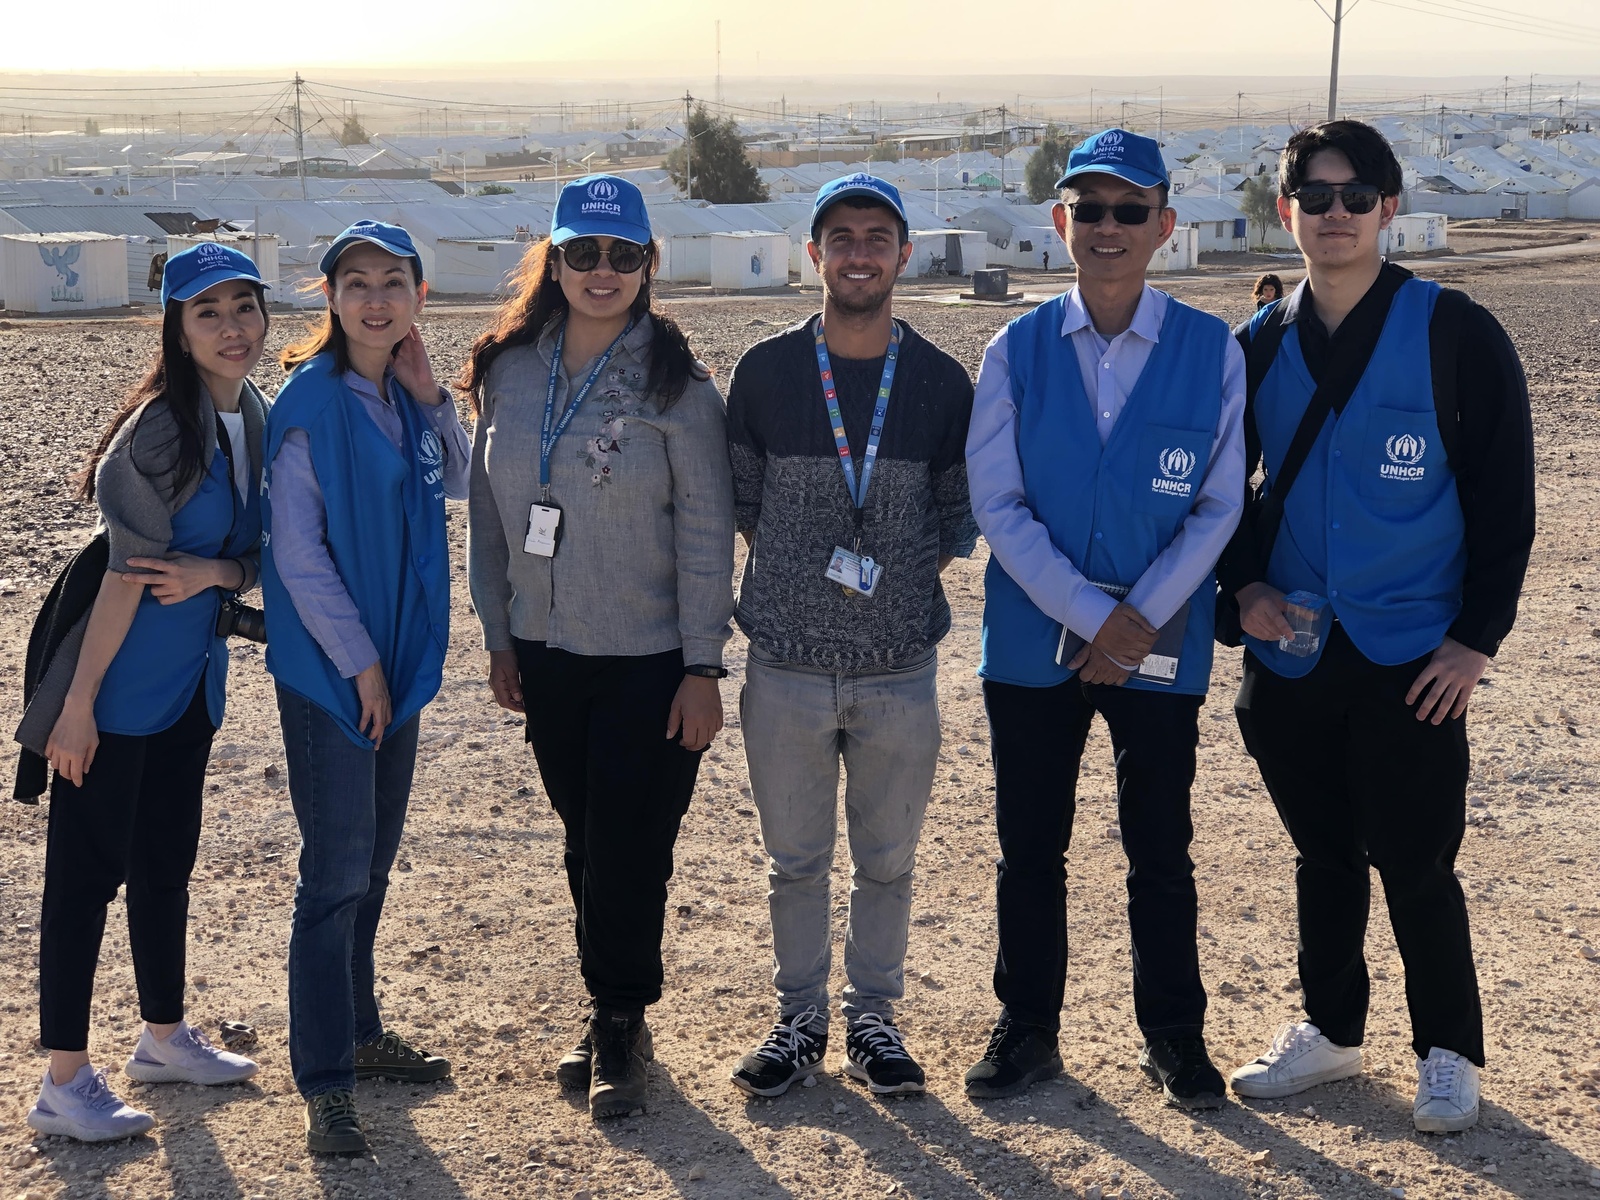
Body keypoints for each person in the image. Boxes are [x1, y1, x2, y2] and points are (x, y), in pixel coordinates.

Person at [1222, 120, 1534, 1133]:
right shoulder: (1258, 344)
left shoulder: (1454, 333)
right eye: (1315, 197)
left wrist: (1475, 641)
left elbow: (1503, 499)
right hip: (1295, 653)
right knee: (1322, 853)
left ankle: (1447, 1049)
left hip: (1413, 655)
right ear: (1288, 212)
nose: (1337, 214)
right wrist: (1240, 594)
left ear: (1389, 208)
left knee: (1415, 859)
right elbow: (1220, 497)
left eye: (1358, 196)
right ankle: (1331, 1029)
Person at [962, 129, 1246, 1108]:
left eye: (1131, 210)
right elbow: (997, 505)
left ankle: (1172, 1035)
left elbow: (1218, 504)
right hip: (1030, 643)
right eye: (1090, 210)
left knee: (1158, 849)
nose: (1109, 228)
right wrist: (1093, 615)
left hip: (1162, 642)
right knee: (1029, 849)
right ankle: (1026, 1030)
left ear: (1166, 225)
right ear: (1060, 224)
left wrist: (1141, 618)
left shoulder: (1211, 350)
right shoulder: (1015, 349)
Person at [461, 174, 734, 1119]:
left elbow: (705, 531)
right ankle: (610, 1002)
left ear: (649, 264)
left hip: (651, 658)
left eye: (624, 255)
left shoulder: (679, 384)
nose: (603, 271)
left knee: (628, 845)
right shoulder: (508, 369)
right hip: (545, 650)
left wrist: (704, 666)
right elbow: (491, 519)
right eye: (584, 253)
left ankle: (620, 1018)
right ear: (555, 259)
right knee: (585, 842)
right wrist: (499, 634)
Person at [726, 174, 979, 1099]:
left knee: (887, 862)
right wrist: (806, 578)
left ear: (903, 255)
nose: (861, 252)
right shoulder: (764, 372)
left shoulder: (943, 381)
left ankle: (874, 1018)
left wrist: (887, 592)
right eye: (843, 237)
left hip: (899, 672)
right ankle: (799, 1019)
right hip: (785, 667)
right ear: (816, 256)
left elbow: (957, 520)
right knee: (793, 862)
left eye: (879, 237)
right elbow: (741, 502)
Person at [16, 243, 270, 1141]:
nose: (232, 327)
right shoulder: (161, 429)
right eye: (208, 312)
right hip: (116, 690)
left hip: (191, 686)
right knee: (83, 881)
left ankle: (163, 1038)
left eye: (244, 306)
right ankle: (63, 1079)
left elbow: (249, 556)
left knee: (166, 867)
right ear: (176, 327)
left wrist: (219, 570)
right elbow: (122, 579)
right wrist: (76, 707)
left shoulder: (256, 416)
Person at [263, 220, 469, 1155]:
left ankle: (360, 1027)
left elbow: (461, 485)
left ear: (419, 296)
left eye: (394, 280)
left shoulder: (403, 393)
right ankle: (327, 1083)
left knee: (373, 864)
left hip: (396, 662)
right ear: (330, 298)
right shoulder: (309, 403)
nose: (376, 297)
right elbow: (298, 554)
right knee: (334, 873)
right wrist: (361, 664)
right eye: (357, 282)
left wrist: (435, 400)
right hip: (335, 669)